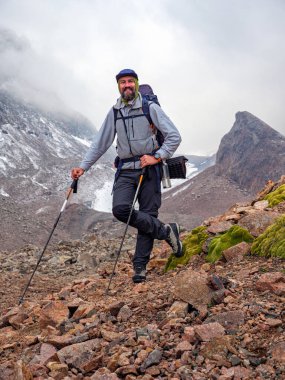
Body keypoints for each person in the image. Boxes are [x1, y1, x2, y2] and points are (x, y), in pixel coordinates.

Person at [71, 69, 182, 283]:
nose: (127, 85)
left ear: (137, 84)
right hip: (125, 170)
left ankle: (140, 267)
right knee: (120, 209)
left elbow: (174, 136)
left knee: (148, 213)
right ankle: (166, 231)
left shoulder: (150, 108)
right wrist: (83, 167)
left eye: (131, 81)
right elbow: (100, 143)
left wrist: (157, 156)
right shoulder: (115, 112)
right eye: (123, 82)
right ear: (119, 86)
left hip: (150, 169)